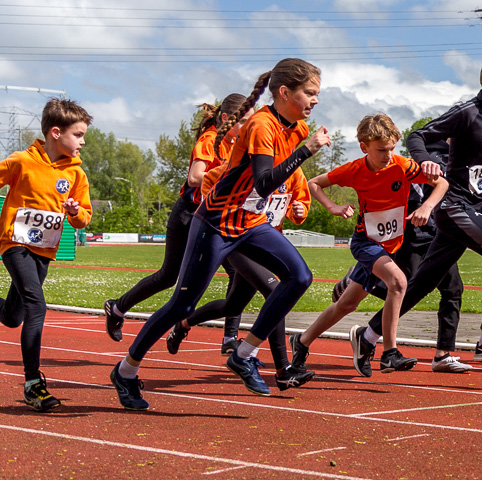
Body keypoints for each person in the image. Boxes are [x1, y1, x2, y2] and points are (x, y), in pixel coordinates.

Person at [109, 58, 331, 410]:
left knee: (299, 277)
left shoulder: (299, 128)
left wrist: (297, 201)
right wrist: (306, 152)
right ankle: (126, 370)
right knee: (181, 304)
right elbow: (263, 181)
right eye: (311, 93)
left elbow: (276, 185)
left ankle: (244, 353)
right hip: (215, 223)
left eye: (318, 94)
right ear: (286, 92)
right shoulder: (262, 125)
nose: (316, 101)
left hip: (251, 223)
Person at [350, 53, 482, 376]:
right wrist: (424, 160)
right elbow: (418, 136)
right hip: (454, 207)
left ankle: (367, 337)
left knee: (424, 281)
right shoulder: (466, 114)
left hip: (470, 210)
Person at [289, 113, 448, 377]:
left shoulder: (402, 166)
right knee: (398, 282)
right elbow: (314, 183)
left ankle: (302, 342)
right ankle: (390, 353)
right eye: (381, 150)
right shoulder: (354, 170)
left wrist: (427, 207)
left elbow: (441, 182)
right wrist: (333, 207)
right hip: (366, 243)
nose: (388, 155)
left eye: (392, 148)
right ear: (364, 147)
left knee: (346, 305)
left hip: (389, 246)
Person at [104, 94, 253, 355]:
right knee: (168, 276)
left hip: (219, 218)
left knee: (238, 273)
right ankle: (117, 307)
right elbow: (195, 177)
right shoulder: (210, 140)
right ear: (228, 119)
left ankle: (230, 338)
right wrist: (226, 176)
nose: (250, 127)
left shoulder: (240, 144)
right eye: (246, 121)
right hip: (189, 215)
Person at [164, 162, 315, 391]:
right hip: (238, 241)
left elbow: (300, 200)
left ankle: (184, 323)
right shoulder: (246, 162)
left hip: (266, 245)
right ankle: (283, 370)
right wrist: (214, 209)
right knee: (275, 291)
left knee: (233, 305)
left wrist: (300, 210)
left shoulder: (294, 170)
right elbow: (209, 179)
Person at [332, 139, 469, 373]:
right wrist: (423, 206)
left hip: (437, 236)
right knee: (408, 289)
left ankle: (442, 354)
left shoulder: (462, 160)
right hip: (410, 236)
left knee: (453, 290)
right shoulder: (426, 154)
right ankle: (360, 289)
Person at [0, 98, 93, 411]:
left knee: (14, 317)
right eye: (78, 135)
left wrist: (76, 211)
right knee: (37, 306)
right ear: (56, 133)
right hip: (14, 243)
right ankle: (32, 383)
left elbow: (84, 219)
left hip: (44, 250)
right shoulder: (22, 161)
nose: (82, 142)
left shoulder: (77, 175)